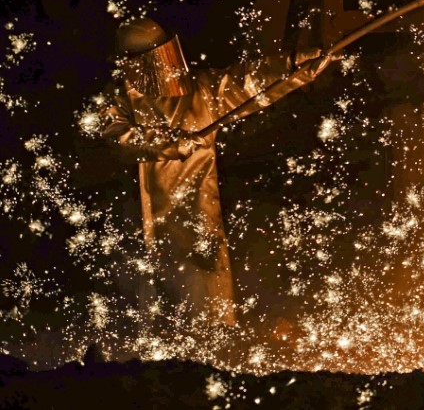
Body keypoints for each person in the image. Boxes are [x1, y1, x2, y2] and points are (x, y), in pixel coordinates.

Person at [102, 17, 334, 326]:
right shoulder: (118, 100)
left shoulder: (200, 91)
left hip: (195, 220)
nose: (166, 65)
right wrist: (172, 144)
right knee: (146, 311)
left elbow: (250, 82)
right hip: (137, 225)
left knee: (204, 303)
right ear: (133, 64)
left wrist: (294, 65)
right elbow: (121, 139)